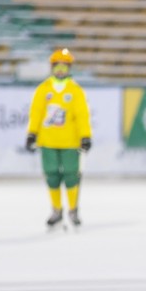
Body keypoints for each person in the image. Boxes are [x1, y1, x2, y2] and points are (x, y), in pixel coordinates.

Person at [25, 48, 92, 229]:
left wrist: (85, 136)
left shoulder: (75, 90)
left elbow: (82, 115)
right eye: (57, 67)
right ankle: (56, 209)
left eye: (64, 67)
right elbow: (36, 113)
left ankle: (73, 209)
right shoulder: (43, 89)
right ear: (52, 68)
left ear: (69, 68)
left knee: (71, 175)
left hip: (70, 142)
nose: (60, 71)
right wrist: (32, 133)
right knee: (51, 175)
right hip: (48, 141)